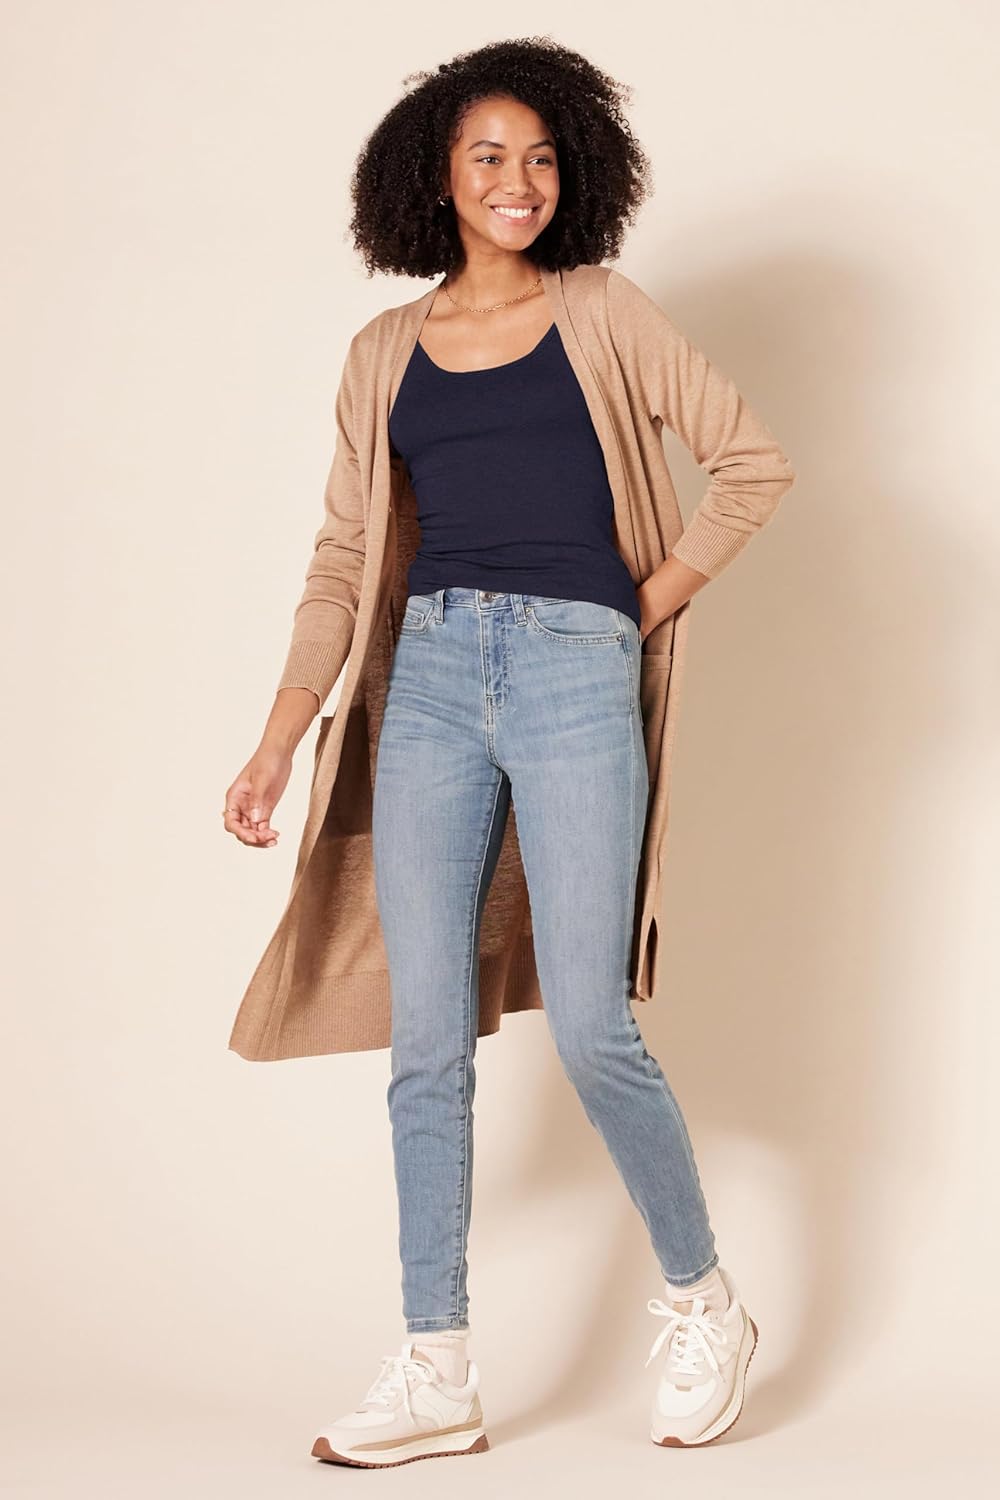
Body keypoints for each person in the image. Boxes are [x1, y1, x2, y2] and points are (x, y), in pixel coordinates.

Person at [220, 38, 793, 1465]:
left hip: (573, 674)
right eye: (488, 158)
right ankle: (437, 1368)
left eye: (539, 158)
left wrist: (635, 606)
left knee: (593, 1024)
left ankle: (706, 1300)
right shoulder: (382, 355)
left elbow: (751, 463)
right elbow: (344, 559)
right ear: (437, 177)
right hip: (426, 684)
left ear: (573, 173)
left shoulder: (602, 310)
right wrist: (280, 740)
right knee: (425, 1044)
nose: (517, 182)